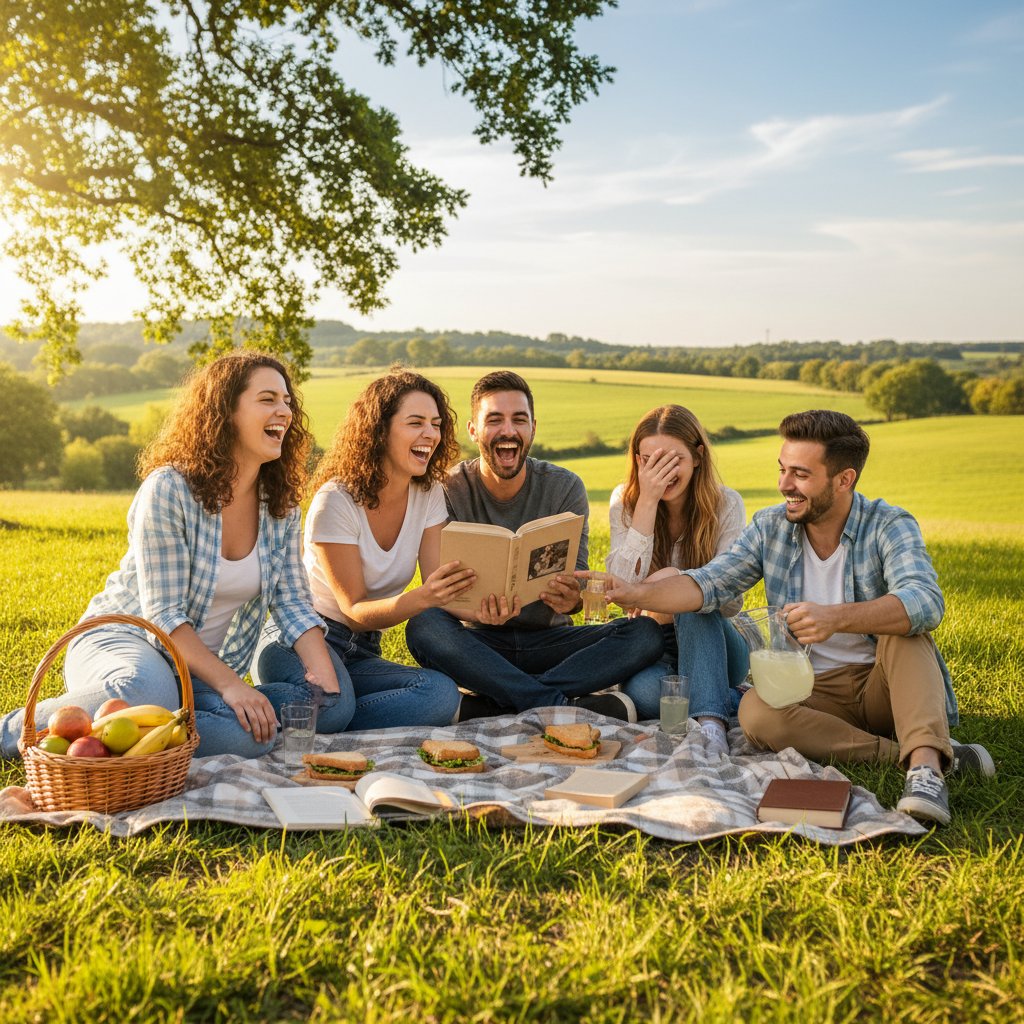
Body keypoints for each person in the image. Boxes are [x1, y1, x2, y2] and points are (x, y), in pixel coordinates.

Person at [585, 409, 994, 825]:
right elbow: (710, 583)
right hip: (811, 690)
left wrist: (836, 618)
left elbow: (925, 601)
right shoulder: (771, 527)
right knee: (754, 713)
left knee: (906, 631)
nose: (784, 485)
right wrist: (634, 592)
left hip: (884, 685)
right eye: (783, 470)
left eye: (800, 474)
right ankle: (922, 755)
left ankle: (925, 771)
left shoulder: (888, 524)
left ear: (843, 479)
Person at [0, 351, 353, 761]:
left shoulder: (280, 505)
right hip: (127, 640)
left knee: (315, 714)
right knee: (150, 691)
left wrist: (322, 679)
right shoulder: (170, 488)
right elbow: (164, 616)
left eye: (287, 401)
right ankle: (16, 730)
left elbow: (292, 601)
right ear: (226, 412)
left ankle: (141, 732)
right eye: (267, 399)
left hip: (195, 667)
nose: (285, 411)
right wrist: (232, 685)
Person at [404, 370, 664, 721]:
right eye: (494, 420)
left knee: (645, 634)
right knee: (424, 625)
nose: (508, 430)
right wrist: (476, 612)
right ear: (473, 430)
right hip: (480, 648)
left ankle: (499, 704)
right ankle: (554, 703)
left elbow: (576, 584)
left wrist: (572, 599)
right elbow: (438, 592)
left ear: (533, 428)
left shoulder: (565, 487)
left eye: (519, 420)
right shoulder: (446, 489)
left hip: (552, 643)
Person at [255, 368, 469, 728]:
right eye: (416, 423)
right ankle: (241, 703)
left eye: (436, 424)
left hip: (362, 649)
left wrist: (490, 609)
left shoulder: (428, 493)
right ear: (380, 431)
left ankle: (334, 714)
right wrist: (424, 596)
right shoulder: (336, 501)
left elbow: (439, 585)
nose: (431, 434)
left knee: (439, 693)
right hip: (301, 638)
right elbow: (353, 610)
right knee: (334, 706)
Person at [607, 405, 750, 755]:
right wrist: (647, 502)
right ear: (637, 460)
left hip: (717, 641)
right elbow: (619, 588)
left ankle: (711, 723)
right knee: (643, 694)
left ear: (697, 457)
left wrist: (669, 586)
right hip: (657, 643)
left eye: (672, 461)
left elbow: (732, 600)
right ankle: (732, 700)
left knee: (689, 591)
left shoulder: (726, 504)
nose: (661, 473)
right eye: (649, 461)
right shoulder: (625, 500)